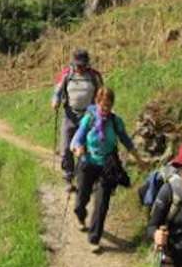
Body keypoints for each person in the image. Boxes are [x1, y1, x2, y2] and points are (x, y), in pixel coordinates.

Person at [70, 87, 142, 254]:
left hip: (107, 166)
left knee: (102, 204)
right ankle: (80, 215)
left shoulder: (115, 121)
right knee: (81, 199)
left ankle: (94, 238)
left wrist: (139, 159)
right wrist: (78, 149)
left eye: (109, 106)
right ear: (97, 102)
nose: (106, 110)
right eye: (103, 106)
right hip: (87, 163)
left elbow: (127, 141)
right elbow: (77, 138)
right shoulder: (89, 118)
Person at [52, 49, 103, 192]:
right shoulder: (67, 74)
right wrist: (55, 101)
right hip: (70, 116)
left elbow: (102, 94)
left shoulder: (94, 76)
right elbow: (57, 91)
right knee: (66, 148)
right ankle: (68, 178)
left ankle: (85, 179)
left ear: (87, 64)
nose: (80, 68)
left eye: (82, 65)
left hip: (88, 117)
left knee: (87, 148)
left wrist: (102, 112)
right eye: (77, 65)